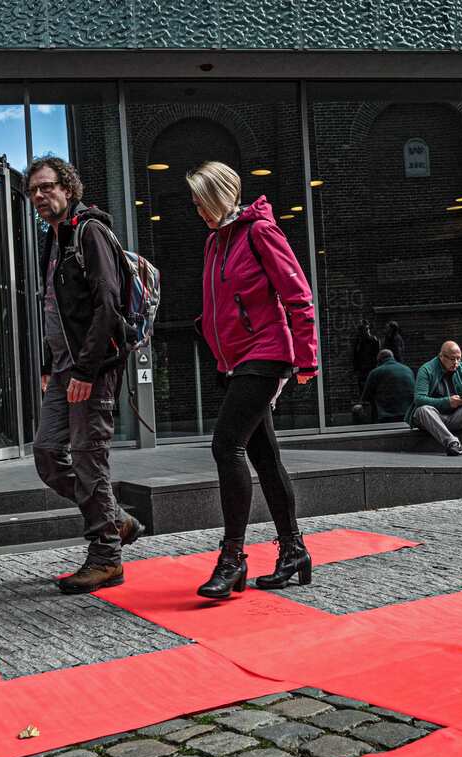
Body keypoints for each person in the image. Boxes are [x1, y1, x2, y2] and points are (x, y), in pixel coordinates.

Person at [187, 161, 319, 599]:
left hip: (267, 353)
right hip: (235, 361)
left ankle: (232, 559)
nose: (196, 209)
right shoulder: (213, 242)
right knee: (263, 457)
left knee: (226, 446)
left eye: (201, 199)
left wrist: (307, 359)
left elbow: (297, 293)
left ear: (221, 194)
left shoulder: (258, 231)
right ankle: (293, 550)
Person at [28, 157, 144, 595]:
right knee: (46, 453)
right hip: (61, 369)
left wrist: (86, 368)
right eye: (33, 191)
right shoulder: (51, 241)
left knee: (88, 457)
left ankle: (106, 558)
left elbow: (108, 305)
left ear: (68, 187)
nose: (40, 196)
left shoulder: (88, 231)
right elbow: (52, 307)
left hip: (90, 369)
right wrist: (48, 363)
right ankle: (114, 518)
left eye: (47, 187)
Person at [357, 349, 414, 423]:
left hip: (387, 416)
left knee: (358, 409)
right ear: (392, 357)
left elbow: (366, 397)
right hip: (409, 414)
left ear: (379, 361)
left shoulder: (375, 372)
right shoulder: (408, 369)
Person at [351, 321, 380, 395]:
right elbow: (355, 355)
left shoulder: (374, 340)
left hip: (370, 368)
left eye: (366, 330)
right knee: (362, 389)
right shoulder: (359, 341)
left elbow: (377, 355)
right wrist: (356, 368)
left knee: (371, 389)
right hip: (362, 369)